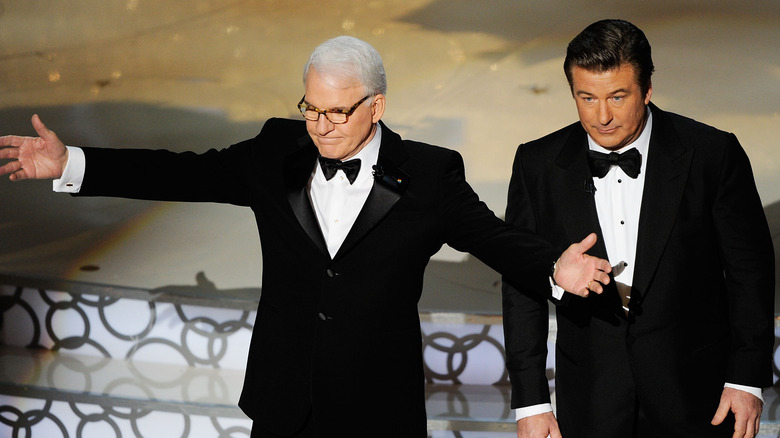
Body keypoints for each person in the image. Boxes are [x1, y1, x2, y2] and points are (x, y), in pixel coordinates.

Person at [0, 36, 611, 437]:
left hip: (377, 410)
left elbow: (493, 238)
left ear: (376, 106)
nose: (321, 126)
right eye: (311, 109)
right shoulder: (277, 150)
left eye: (338, 112)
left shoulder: (430, 173)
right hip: (284, 399)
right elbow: (185, 170)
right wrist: (73, 164)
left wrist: (555, 267)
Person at [502, 19, 775, 438]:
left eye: (617, 96)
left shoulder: (712, 154)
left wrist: (746, 379)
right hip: (589, 399)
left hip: (699, 397)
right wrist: (531, 403)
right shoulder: (536, 164)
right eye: (586, 98)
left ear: (647, 90)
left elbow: (750, 273)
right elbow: (521, 288)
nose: (602, 116)